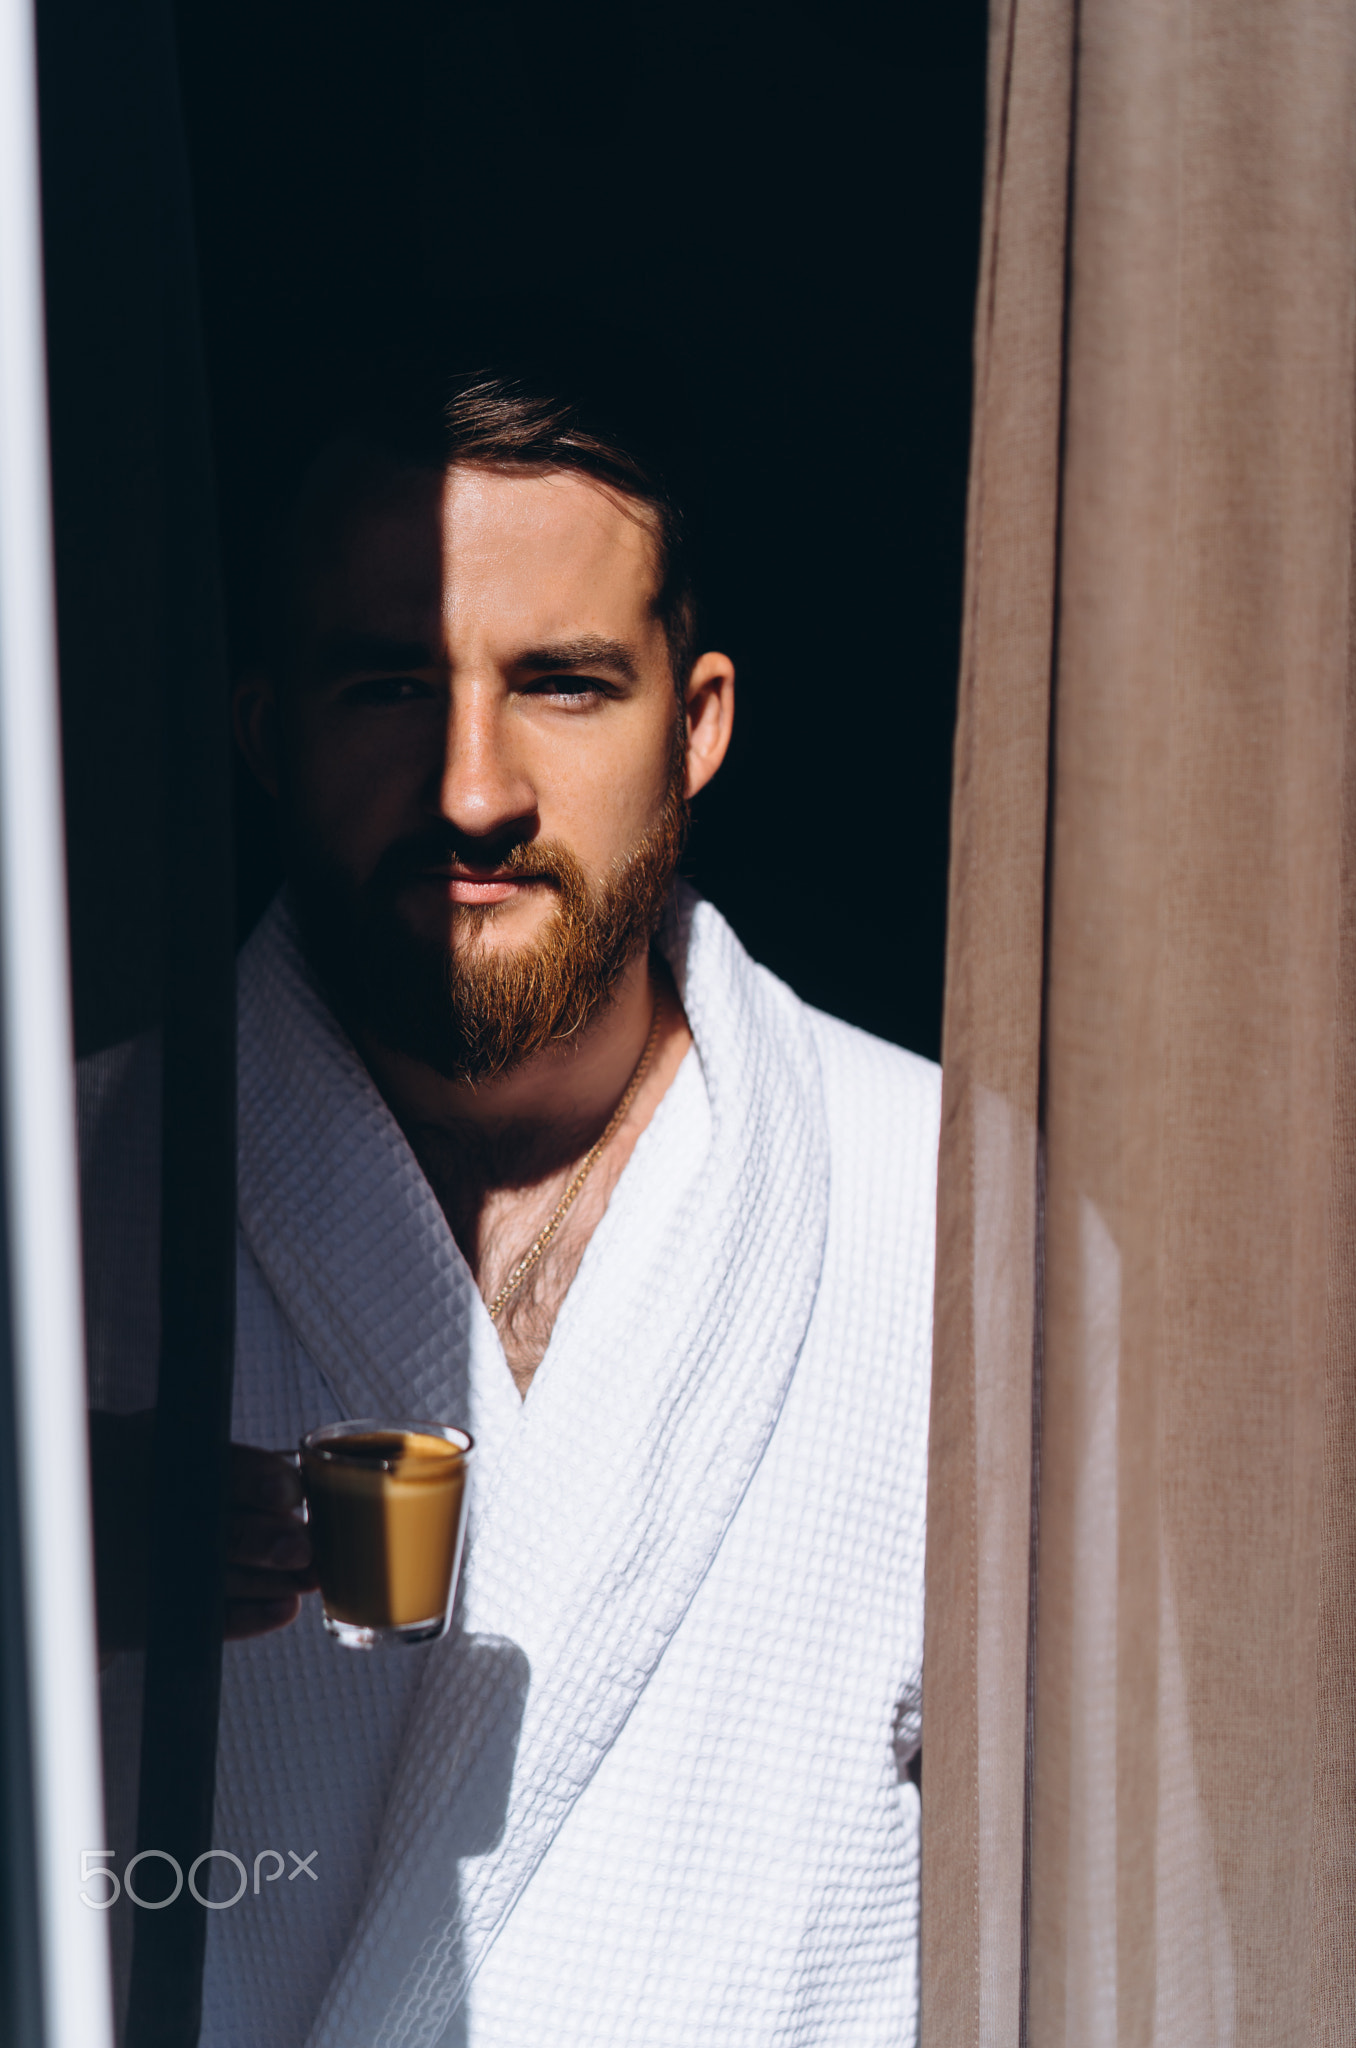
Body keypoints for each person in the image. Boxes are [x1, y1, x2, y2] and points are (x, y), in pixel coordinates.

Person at [82, 360, 939, 2046]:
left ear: (695, 729)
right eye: (392, 685)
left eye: (558, 683)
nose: (473, 790)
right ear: (265, 729)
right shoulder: (71, 1201)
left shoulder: (948, 1204)